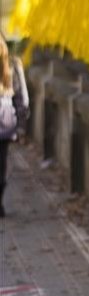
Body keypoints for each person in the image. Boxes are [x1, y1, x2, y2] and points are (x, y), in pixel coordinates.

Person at [0, 37, 30, 218]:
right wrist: (20, 127)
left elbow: (22, 99)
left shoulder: (12, 65)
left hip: (4, 126)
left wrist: (21, 127)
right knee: (1, 165)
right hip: (5, 126)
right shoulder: (12, 64)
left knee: (1, 166)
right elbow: (22, 100)